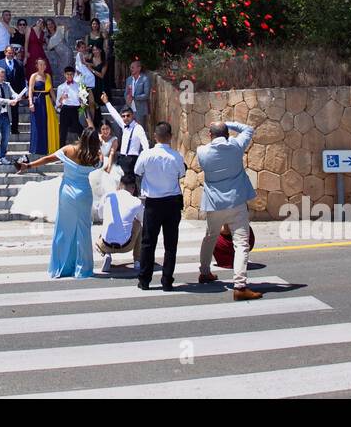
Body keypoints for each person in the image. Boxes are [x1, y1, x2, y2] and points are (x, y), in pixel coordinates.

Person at [16, 127, 102, 279]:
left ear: (81, 137)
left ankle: (61, 267)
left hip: (67, 193)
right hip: (84, 194)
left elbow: (48, 159)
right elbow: (101, 165)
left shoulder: (69, 150)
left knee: (63, 228)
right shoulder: (95, 156)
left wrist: (28, 166)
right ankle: (83, 268)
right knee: (83, 230)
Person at [197, 119, 262, 301]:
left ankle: (204, 272)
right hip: (236, 202)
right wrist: (229, 123)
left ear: (210, 135)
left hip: (214, 204)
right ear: (226, 134)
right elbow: (248, 129)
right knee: (241, 243)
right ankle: (240, 286)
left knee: (210, 237)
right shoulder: (236, 146)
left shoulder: (202, 152)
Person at [132, 120, 186, 291]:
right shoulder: (176, 156)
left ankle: (144, 279)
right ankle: (167, 280)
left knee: (148, 242)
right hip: (171, 202)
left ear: (155, 136)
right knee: (171, 243)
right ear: (170, 137)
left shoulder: (146, 155)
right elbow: (182, 173)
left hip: (153, 203)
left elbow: (137, 171)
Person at [96, 172, 144, 273]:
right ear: (133, 188)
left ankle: (106, 254)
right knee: (138, 224)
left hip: (105, 245)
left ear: (119, 185)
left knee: (107, 223)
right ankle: (137, 261)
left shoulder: (107, 196)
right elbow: (143, 219)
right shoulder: (136, 201)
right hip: (126, 246)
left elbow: (100, 215)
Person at [101, 92, 149, 177]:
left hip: (132, 159)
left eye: (128, 116)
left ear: (132, 115)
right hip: (122, 158)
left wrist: (144, 160)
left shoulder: (138, 128)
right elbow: (115, 114)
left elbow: (145, 145)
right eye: (123, 116)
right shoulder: (124, 126)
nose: (125, 118)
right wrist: (106, 102)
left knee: (131, 184)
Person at [0, 66, 21, 164]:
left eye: (3, 76)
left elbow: (13, 93)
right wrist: (9, 101)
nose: (2, 78)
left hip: (5, 114)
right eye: (1, 76)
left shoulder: (7, 85)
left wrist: (17, 96)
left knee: (5, 138)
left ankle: (2, 156)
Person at [25, 57, 59, 155]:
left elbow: (51, 90)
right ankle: (36, 148)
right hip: (37, 101)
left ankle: (48, 148)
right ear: (36, 66)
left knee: (49, 124)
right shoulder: (33, 76)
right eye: (40, 64)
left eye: (44, 64)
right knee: (37, 124)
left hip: (47, 102)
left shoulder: (48, 76)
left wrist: (56, 102)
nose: (42, 66)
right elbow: (30, 90)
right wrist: (30, 103)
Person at [0, 44, 26, 134]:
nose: (10, 54)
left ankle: (14, 129)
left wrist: (23, 93)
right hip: (3, 91)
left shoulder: (19, 63)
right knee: (3, 111)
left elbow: (22, 79)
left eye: (12, 53)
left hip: (16, 91)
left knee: (15, 111)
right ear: (5, 52)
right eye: (9, 52)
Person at [54, 66, 82, 144]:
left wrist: (81, 102)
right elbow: (57, 103)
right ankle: (61, 149)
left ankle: (85, 145)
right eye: (68, 74)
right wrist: (62, 98)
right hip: (65, 109)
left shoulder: (79, 86)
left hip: (75, 109)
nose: (69, 76)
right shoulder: (61, 87)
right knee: (63, 130)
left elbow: (82, 100)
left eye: (71, 74)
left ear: (74, 75)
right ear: (64, 75)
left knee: (78, 127)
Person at [124, 59, 153, 130]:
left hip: (140, 109)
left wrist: (134, 98)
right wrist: (127, 98)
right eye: (130, 67)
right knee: (129, 129)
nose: (131, 69)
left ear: (139, 68)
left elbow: (146, 95)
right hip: (129, 108)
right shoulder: (129, 79)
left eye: (133, 67)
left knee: (140, 130)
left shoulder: (145, 79)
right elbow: (125, 92)